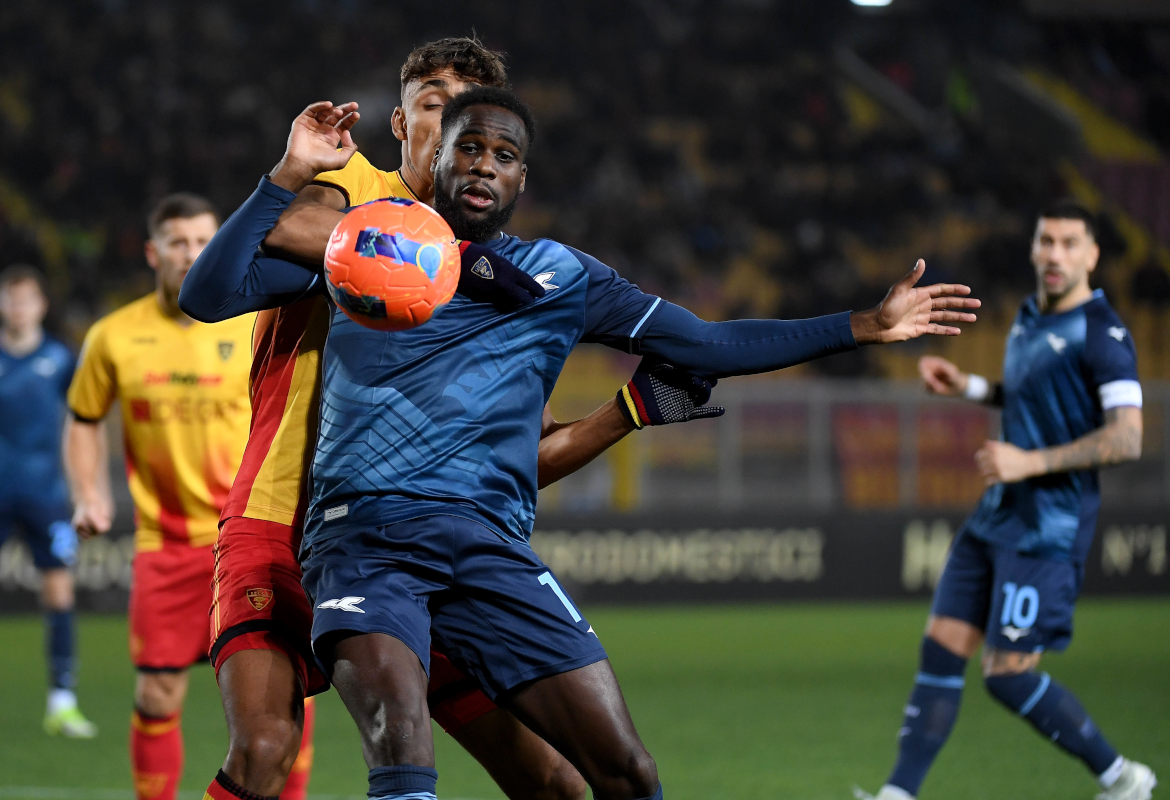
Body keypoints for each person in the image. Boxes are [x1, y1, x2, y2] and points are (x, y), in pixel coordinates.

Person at [184, 85, 978, 800]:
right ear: (435, 156)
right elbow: (209, 293)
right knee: (403, 764)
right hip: (365, 539)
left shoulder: (560, 279)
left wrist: (862, 326)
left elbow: (708, 344)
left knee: (625, 774)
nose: (484, 165)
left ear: (523, 179)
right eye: (467, 146)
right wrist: (284, 174)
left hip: (488, 550)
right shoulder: (369, 242)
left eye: (504, 155)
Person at [191, 37, 722, 800]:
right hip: (282, 514)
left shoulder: (509, 264)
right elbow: (284, 238)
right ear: (401, 122)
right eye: (430, 102)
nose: (446, 120)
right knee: (265, 751)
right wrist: (452, 262)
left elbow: (510, 453)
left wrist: (625, 412)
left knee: (554, 780)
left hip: (408, 542)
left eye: (464, 109)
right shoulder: (351, 189)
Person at [857, 202, 1156, 800]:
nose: (1055, 254)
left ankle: (1123, 778)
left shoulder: (1104, 334)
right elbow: (1032, 402)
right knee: (941, 646)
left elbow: (1127, 437)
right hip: (996, 517)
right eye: (1046, 241)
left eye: (1071, 244)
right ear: (1033, 247)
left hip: (1048, 527)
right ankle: (898, 794)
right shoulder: (1029, 317)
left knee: (1008, 677)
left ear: (1092, 255)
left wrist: (1030, 463)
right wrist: (968, 387)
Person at [63, 194, 256, 800]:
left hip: (248, 540)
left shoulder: (252, 322)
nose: (192, 254)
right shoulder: (113, 336)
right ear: (153, 252)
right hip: (164, 544)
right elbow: (84, 418)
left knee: (270, 700)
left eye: (204, 240)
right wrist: (89, 493)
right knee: (155, 694)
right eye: (178, 242)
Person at [0, 265, 95, 738]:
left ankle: (62, 703)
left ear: (41, 305)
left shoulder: (60, 358)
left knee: (59, 592)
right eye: (10, 298)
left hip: (46, 493)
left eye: (27, 299)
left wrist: (85, 487)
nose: (19, 307)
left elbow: (84, 421)